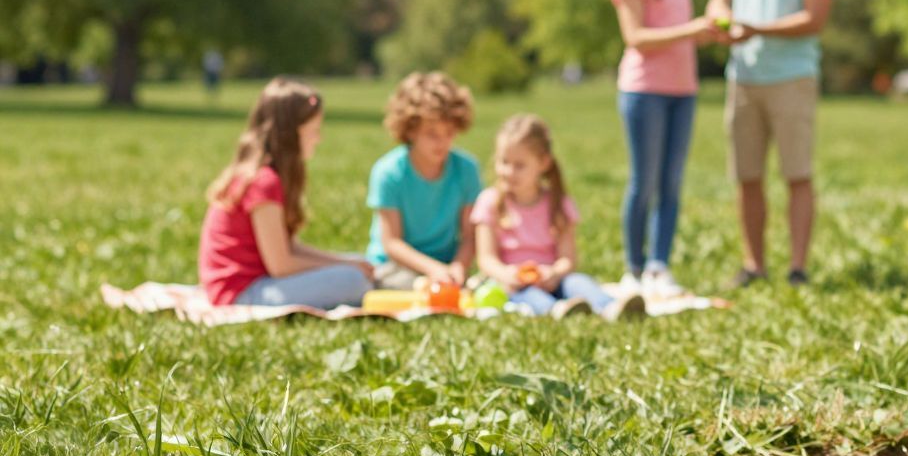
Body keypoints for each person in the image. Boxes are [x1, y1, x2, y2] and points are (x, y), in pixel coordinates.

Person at [705, 0, 838, 288]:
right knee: (747, 177)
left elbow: (814, 19)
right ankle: (753, 266)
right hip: (743, 78)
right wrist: (721, 18)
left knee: (796, 175)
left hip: (792, 78)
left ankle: (797, 268)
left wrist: (754, 28)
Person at [611, 0, 721, 300]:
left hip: (682, 91)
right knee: (645, 181)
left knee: (671, 183)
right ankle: (633, 268)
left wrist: (708, 33)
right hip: (644, 92)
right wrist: (692, 29)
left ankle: (660, 265)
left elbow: (680, 33)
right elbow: (635, 37)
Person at [198, 78, 374, 309]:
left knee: (356, 264)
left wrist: (348, 261)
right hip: (241, 295)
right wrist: (346, 268)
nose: (318, 139)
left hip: (251, 284)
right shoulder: (263, 182)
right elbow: (281, 265)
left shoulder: (262, 175)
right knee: (353, 281)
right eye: (313, 131)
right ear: (291, 134)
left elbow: (288, 247)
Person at [474, 114, 647, 321]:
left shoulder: (558, 203)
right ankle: (557, 312)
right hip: (513, 285)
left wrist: (554, 273)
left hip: (553, 279)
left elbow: (568, 258)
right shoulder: (490, 202)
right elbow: (485, 259)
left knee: (578, 282)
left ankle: (612, 308)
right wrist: (506, 274)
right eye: (503, 162)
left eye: (519, 165)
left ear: (543, 163)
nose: (509, 171)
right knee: (529, 296)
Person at [364, 71, 481, 289]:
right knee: (408, 285)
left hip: (446, 265)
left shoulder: (466, 169)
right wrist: (433, 270)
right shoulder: (388, 173)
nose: (442, 142)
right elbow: (391, 243)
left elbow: (469, 236)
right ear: (410, 131)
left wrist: (458, 267)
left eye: (449, 132)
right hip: (393, 266)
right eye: (431, 133)